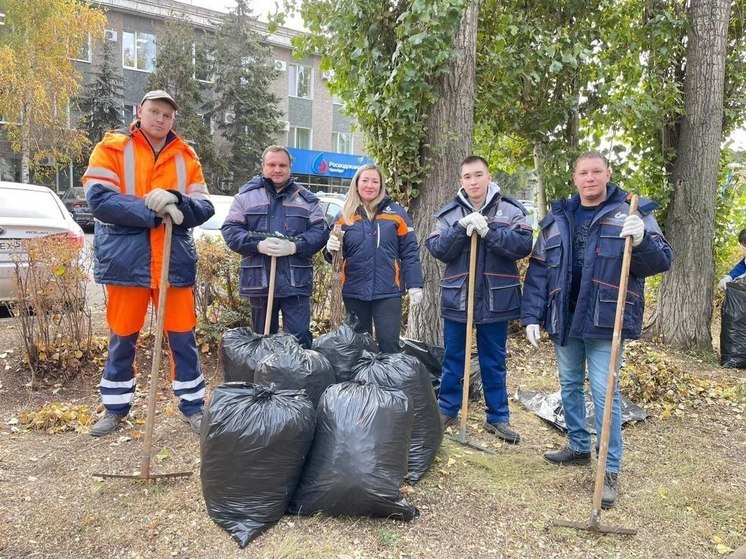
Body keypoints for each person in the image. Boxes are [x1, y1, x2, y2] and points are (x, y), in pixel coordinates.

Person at [521, 150, 672, 508]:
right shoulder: (558, 218)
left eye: (596, 172)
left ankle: (610, 469)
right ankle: (578, 445)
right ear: (574, 178)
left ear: (607, 174)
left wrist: (642, 240)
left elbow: (661, 261)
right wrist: (530, 315)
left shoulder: (633, 212)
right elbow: (540, 268)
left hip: (607, 320)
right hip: (565, 317)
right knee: (569, 385)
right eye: (583, 173)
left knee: (606, 395)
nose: (589, 178)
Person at [84, 89, 215, 437]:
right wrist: (154, 211)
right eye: (154, 112)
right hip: (128, 262)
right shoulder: (112, 148)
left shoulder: (186, 156)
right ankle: (114, 408)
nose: (160, 119)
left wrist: (177, 199)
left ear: (173, 119)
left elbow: (204, 207)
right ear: (139, 111)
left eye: (167, 115)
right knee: (123, 335)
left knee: (183, 336)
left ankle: (193, 406)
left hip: (173, 262)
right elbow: (99, 201)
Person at [426, 155, 533, 443]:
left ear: (489, 176)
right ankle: (447, 408)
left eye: (478, 175)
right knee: (454, 358)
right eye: (467, 177)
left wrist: (489, 232)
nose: (473, 181)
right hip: (458, 297)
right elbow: (436, 247)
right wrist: (460, 229)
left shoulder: (510, 210)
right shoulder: (449, 213)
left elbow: (523, 245)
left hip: (496, 299)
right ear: (461, 181)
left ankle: (497, 417)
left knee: (494, 360)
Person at [221, 145, 328, 348]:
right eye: (272, 165)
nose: (277, 169)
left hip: (295, 283)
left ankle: (297, 379)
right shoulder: (245, 197)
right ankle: (263, 379)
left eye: (282, 165)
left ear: (290, 168)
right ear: (263, 166)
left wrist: (294, 246)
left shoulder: (307, 200)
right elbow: (230, 230)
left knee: (299, 341)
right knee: (262, 341)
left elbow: (320, 232)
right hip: (260, 281)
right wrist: (257, 245)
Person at [324, 164, 424, 353]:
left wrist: (414, 284)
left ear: (381, 185)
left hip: (387, 290)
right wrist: (330, 250)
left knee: (389, 344)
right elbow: (334, 258)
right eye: (365, 180)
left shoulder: (397, 214)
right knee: (360, 346)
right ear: (356, 184)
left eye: (375, 181)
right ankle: (362, 383)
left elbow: (409, 251)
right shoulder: (344, 215)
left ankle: (387, 382)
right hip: (354, 291)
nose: (370, 185)